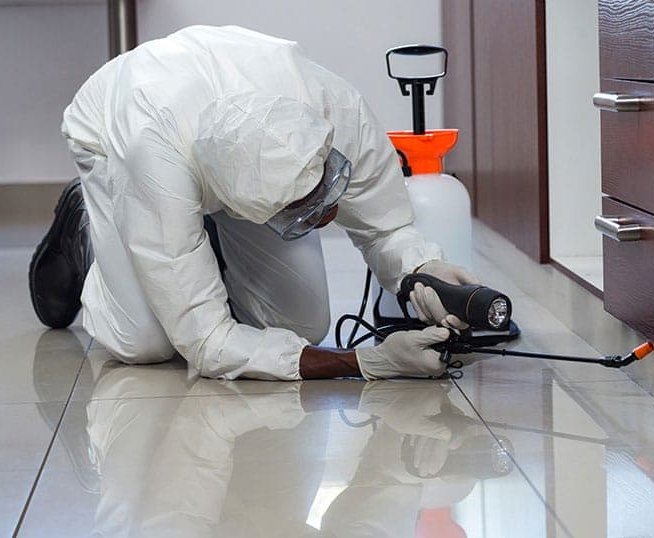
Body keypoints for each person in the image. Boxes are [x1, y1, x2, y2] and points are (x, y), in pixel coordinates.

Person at [29, 25, 482, 381]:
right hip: (115, 136)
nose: (326, 217)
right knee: (145, 343)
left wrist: (421, 271)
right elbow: (206, 344)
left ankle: (194, 258)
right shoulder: (154, 159)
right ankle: (87, 225)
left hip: (211, 124)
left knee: (301, 327)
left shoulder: (333, 107)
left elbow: (386, 227)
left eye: (328, 187)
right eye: (305, 212)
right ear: (248, 208)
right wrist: (364, 362)